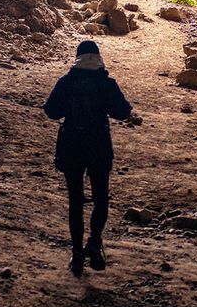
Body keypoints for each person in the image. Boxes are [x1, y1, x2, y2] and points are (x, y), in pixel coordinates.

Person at [42, 40, 133, 276]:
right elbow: (122, 111)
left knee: (75, 201)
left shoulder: (66, 82)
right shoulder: (106, 83)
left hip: (71, 145)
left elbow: (51, 111)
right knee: (101, 197)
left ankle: (76, 254)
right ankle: (94, 241)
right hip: (99, 146)